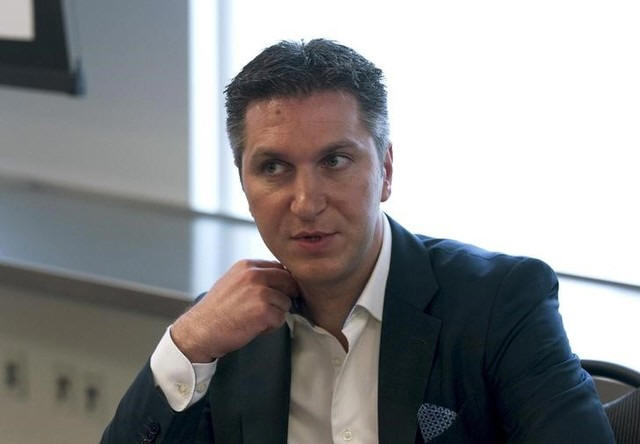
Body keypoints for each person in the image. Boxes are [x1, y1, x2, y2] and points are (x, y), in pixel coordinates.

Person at [101, 39, 614, 443]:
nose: (307, 202)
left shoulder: (499, 301)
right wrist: (187, 345)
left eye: (335, 161)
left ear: (385, 171)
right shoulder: (226, 330)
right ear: (243, 184)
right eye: (274, 167)